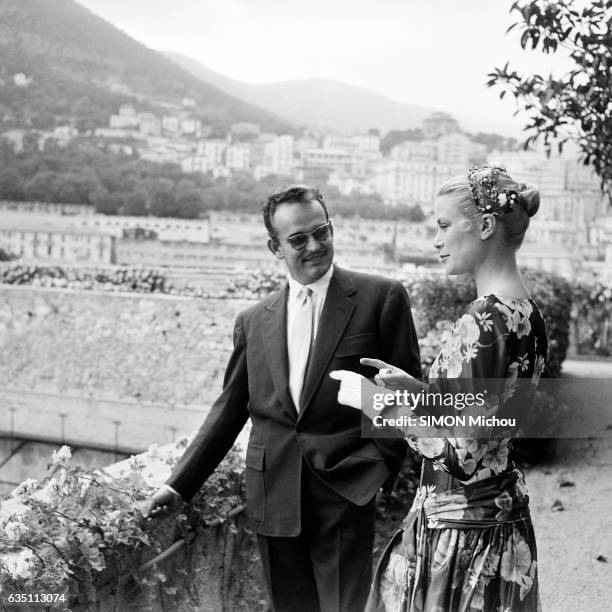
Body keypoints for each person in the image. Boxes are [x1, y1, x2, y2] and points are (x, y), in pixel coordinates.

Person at [145, 185, 422, 612]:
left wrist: (377, 468)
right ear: (275, 247)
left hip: (347, 491)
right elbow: (230, 410)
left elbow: (406, 393)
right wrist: (179, 484)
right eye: (297, 239)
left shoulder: (381, 298)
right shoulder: (253, 321)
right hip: (274, 497)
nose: (314, 246)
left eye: (322, 232)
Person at [331, 165, 547, 611]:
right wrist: (416, 390)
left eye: (444, 225)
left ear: (486, 226)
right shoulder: (528, 314)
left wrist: (378, 404)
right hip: (501, 523)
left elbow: (460, 456)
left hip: (463, 537)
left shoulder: (483, 321)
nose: (436, 239)